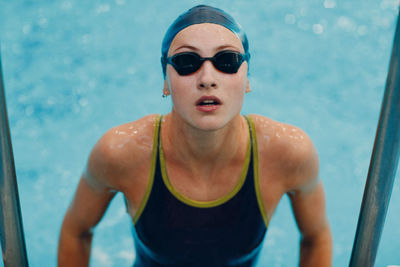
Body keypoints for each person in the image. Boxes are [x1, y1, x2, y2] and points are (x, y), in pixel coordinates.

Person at [58, 5, 332, 267]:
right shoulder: (121, 153)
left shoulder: (288, 153)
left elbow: (316, 237)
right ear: (166, 80)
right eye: (187, 62)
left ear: (247, 78)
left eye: (227, 61)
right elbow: (76, 230)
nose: (207, 79)